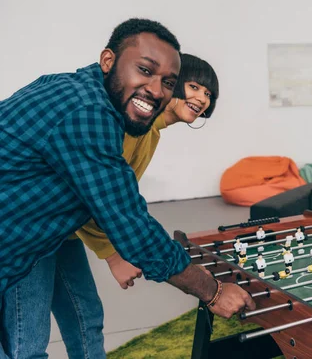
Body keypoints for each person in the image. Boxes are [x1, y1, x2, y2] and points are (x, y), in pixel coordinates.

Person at [0, 18, 254, 358]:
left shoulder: (91, 98)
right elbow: (128, 222)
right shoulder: (88, 115)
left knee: (81, 317)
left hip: (35, 238)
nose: (156, 88)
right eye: (145, 70)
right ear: (108, 61)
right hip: (21, 243)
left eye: (168, 81)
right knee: (27, 347)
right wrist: (213, 291)